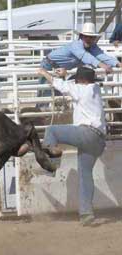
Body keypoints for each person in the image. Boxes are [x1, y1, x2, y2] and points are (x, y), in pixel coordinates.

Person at [37, 66, 106, 226]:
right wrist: (67, 75)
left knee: (52, 131)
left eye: (77, 80)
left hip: (86, 133)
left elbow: (61, 85)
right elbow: (74, 88)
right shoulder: (94, 89)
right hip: (99, 140)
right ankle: (86, 214)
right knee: (85, 174)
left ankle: (49, 166)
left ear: (81, 81)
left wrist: (44, 73)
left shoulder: (82, 90)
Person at [41, 23, 122, 73]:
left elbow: (102, 56)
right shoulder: (76, 45)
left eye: (91, 37)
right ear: (81, 36)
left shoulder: (93, 46)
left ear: (94, 39)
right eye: (86, 36)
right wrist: (103, 65)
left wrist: (118, 64)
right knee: (45, 93)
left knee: (58, 94)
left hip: (61, 69)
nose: (89, 39)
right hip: (49, 65)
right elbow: (85, 56)